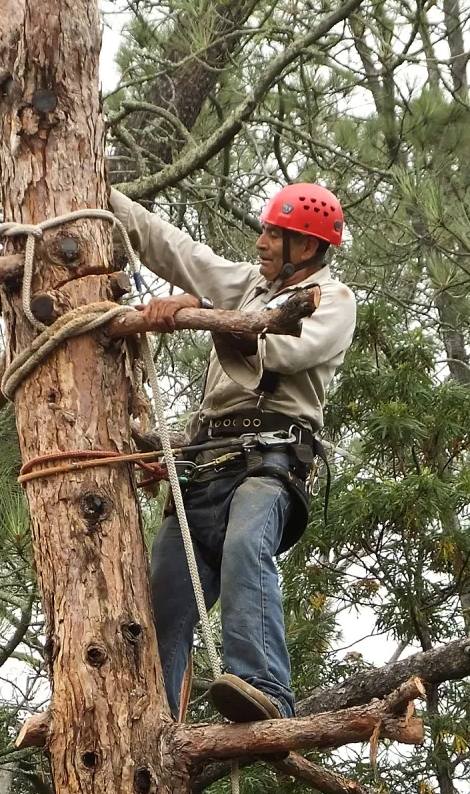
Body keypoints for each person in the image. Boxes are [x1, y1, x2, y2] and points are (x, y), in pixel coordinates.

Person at [109, 182, 357, 723]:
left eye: (275, 233)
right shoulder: (248, 285)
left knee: (248, 543)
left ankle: (263, 686)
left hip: (268, 460)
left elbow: (289, 352)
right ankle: (152, 718)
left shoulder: (332, 300)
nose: (262, 241)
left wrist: (202, 312)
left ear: (308, 248)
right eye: (266, 229)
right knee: (165, 599)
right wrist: (102, 195)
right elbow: (178, 250)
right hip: (204, 464)